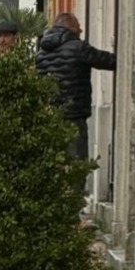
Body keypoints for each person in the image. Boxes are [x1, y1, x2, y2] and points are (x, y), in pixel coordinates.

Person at [35, 12, 116, 162]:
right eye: (78, 27)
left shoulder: (41, 54)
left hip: (49, 117)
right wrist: (125, 57)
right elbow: (106, 60)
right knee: (76, 164)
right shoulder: (78, 47)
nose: (80, 31)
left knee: (54, 164)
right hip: (74, 115)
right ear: (70, 27)